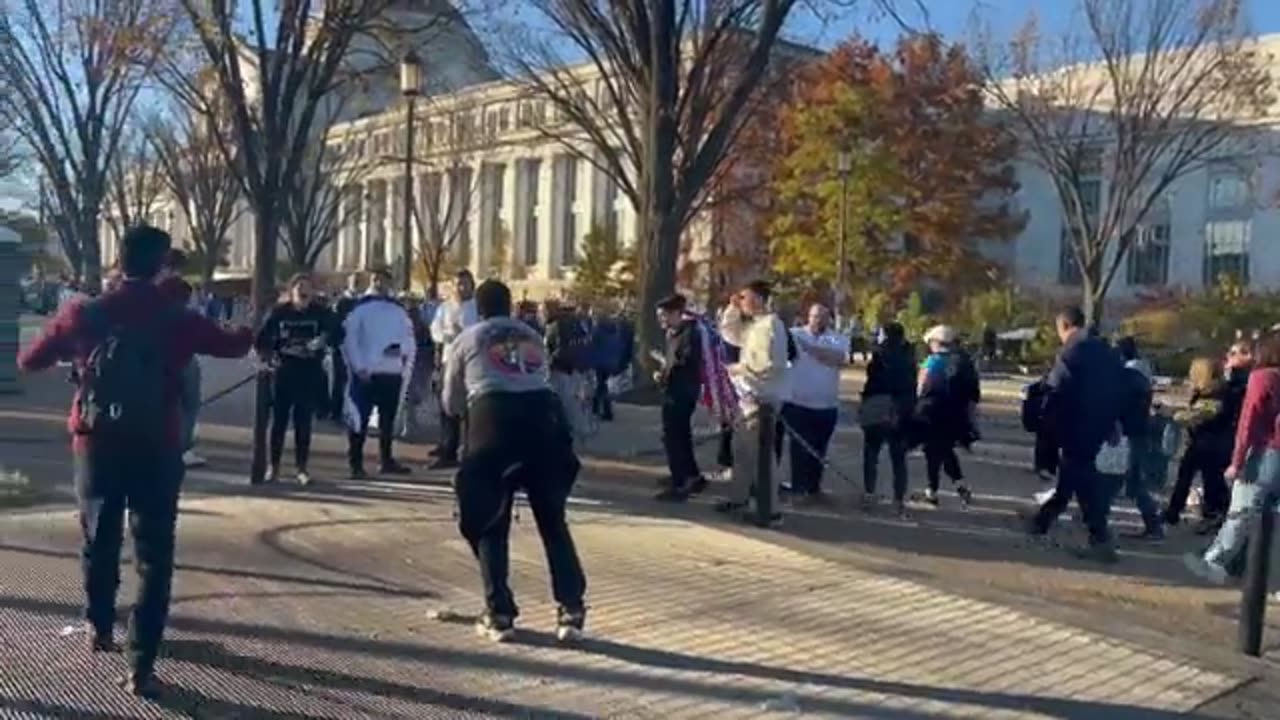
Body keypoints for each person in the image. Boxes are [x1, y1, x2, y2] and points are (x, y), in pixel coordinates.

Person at [17, 225, 253, 697]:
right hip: (156, 443)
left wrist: (77, 359)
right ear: (162, 266)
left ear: (118, 261)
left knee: (99, 537)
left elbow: (30, 360)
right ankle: (141, 664)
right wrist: (250, 324)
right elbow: (233, 345)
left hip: (97, 442)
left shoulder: (86, 312)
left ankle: (99, 624)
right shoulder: (177, 316)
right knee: (155, 556)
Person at [442, 279, 587, 642]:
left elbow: (451, 401)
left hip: (493, 421)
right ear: (509, 306)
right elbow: (543, 375)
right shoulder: (531, 334)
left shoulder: (468, 338)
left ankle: (500, 613)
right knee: (552, 521)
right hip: (544, 421)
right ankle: (571, 608)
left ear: (479, 308)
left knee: (490, 519)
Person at [1026, 307, 1124, 563]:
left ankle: (1099, 537)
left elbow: (1056, 390)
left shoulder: (1071, 352)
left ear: (1064, 326)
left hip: (1075, 423)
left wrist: (1045, 426)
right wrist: (1113, 422)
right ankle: (1043, 520)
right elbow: (1118, 389)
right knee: (1076, 475)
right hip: (1099, 423)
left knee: (1081, 477)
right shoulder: (1107, 351)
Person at [1184, 333, 1280, 585]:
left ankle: (1215, 560)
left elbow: (1248, 422)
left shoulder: (1262, 378)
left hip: (1263, 451)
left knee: (1242, 511)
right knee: (1273, 519)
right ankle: (1264, 574)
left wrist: (1236, 462)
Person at [715, 280, 789, 523]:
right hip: (747, 398)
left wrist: (739, 370)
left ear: (757, 299)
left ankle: (771, 509)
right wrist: (732, 309)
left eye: (744, 297)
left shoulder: (771, 325)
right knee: (741, 451)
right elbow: (730, 334)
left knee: (761, 456)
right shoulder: (754, 325)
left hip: (761, 399)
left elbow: (769, 364)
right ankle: (739, 498)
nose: (742, 302)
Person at [255, 273, 332, 486]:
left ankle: (301, 468)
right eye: (299, 288)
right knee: (278, 421)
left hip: (309, 372)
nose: (304, 293)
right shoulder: (279, 313)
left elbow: (336, 332)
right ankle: (274, 466)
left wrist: (323, 339)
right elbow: (261, 340)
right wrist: (267, 359)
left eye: (308, 289)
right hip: (284, 372)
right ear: (292, 291)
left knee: (303, 421)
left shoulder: (320, 313)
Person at [341, 268, 415, 479]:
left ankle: (386, 459)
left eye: (384, 280)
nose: (380, 283)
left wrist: (404, 365)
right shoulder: (359, 309)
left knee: (387, 419)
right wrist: (358, 366)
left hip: (391, 371)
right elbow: (350, 339)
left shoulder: (398, 311)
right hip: (367, 371)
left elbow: (408, 340)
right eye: (376, 279)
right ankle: (355, 463)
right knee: (360, 418)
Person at [1165, 355, 1245, 532]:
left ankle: (1211, 514)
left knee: (1208, 480)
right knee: (1193, 477)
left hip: (1209, 443)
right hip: (1208, 442)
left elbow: (1200, 414)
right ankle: (1176, 512)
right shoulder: (1215, 391)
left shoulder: (1216, 394)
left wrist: (1175, 415)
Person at [781, 303, 847, 503]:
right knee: (799, 450)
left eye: (823, 317)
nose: (818, 320)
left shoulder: (837, 338)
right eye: (815, 316)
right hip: (797, 403)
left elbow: (837, 359)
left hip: (826, 405)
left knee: (819, 450)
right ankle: (798, 488)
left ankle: (813, 488)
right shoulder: (794, 335)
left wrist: (809, 348)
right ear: (808, 316)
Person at [914, 325, 977, 507]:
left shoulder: (932, 362)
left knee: (932, 452)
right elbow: (973, 395)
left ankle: (932, 491)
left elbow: (921, 388)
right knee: (945, 449)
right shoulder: (965, 363)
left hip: (932, 413)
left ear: (937, 343)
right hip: (956, 414)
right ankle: (960, 485)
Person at [652, 294, 706, 501]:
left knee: (673, 436)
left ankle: (680, 482)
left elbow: (685, 361)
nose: (661, 320)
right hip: (676, 388)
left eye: (664, 316)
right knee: (681, 434)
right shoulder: (674, 333)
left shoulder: (689, 333)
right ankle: (691, 474)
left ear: (676, 313)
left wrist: (666, 369)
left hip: (682, 391)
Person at [861, 321, 916, 516]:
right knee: (898, 458)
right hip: (901, 409)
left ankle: (869, 493)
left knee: (871, 453)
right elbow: (911, 386)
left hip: (878, 406)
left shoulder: (880, 356)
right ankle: (898, 499)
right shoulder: (909, 357)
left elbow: (872, 381)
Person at [157, 250, 205, 469]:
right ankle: (182, 449)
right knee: (188, 403)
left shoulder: (149, 289)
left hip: (156, 354)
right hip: (182, 353)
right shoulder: (184, 290)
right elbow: (195, 318)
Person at [1112, 336, 1163, 540]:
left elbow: (1121, 406)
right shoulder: (1139, 375)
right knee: (1126, 481)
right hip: (1137, 432)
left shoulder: (1128, 377)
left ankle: (1154, 526)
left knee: (1129, 481)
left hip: (1129, 433)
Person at [428, 269, 478, 469]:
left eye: (465, 284)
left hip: (471, 362)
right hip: (449, 360)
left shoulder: (477, 308)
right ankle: (447, 448)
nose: (461, 288)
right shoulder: (446, 307)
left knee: (470, 409)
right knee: (447, 405)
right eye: (458, 284)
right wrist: (447, 335)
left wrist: (464, 334)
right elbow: (435, 329)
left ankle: (470, 449)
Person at [329, 274, 362, 421]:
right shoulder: (340, 302)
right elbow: (334, 324)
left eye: (358, 282)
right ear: (348, 283)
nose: (356, 284)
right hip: (342, 346)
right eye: (354, 282)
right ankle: (335, 410)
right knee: (339, 379)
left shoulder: (361, 302)